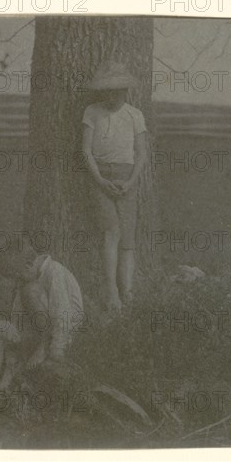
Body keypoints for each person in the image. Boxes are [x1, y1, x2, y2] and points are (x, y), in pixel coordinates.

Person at [0, 239, 84, 398]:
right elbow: (18, 312)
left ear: (28, 264)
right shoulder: (27, 278)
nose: (17, 280)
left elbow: (63, 315)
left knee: (30, 290)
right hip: (36, 332)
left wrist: (56, 350)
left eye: (18, 275)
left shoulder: (55, 272)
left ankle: (43, 347)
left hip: (60, 335)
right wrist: (14, 339)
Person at [82, 61, 148, 313]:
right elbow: (85, 150)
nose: (112, 96)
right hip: (100, 177)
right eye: (107, 91)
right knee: (111, 231)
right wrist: (99, 180)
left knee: (127, 239)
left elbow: (141, 154)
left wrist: (130, 181)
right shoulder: (92, 112)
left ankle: (128, 293)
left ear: (125, 91)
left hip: (126, 177)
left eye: (117, 91)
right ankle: (111, 293)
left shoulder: (134, 115)